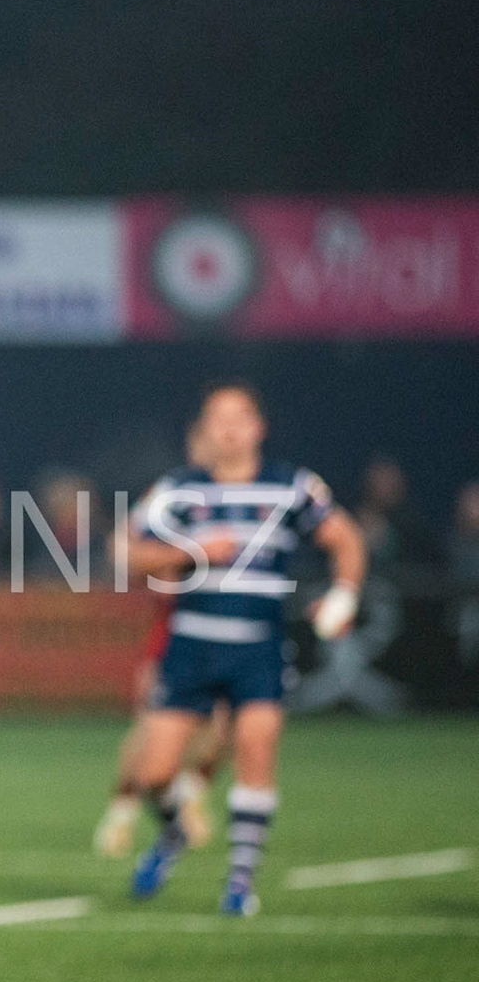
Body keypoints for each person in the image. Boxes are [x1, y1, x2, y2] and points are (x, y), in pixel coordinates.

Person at [124, 383, 364, 916]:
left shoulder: (291, 486)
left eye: (239, 418)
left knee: (256, 748)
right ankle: (174, 834)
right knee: (153, 775)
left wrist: (343, 596)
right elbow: (129, 553)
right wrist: (189, 551)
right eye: (217, 419)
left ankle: (239, 882)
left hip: (257, 646)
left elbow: (344, 540)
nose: (228, 429)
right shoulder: (179, 489)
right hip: (190, 645)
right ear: (203, 431)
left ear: (258, 427)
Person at [93, 422, 228, 858]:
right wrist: (176, 563)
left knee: (225, 727)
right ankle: (121, 813)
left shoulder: (252, 494)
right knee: (153, 726)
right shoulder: (174, 494)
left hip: (231, 629)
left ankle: (188, 798)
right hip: (177, 625)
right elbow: (123, 546)